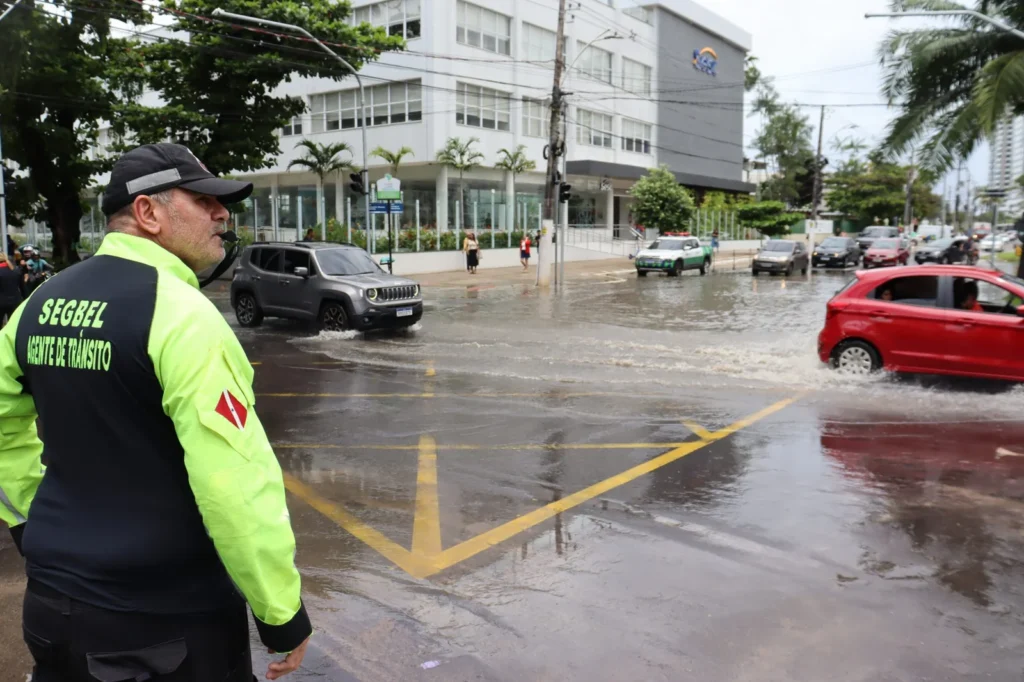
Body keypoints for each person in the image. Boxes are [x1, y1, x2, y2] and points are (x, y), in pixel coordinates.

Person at [0, 143, 312, 681]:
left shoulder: (41, 302)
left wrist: (33, 518)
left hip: (52, 607)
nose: (223, 215)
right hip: (166, 626)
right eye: (204, 201)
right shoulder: (182, 315)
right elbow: (233, 483)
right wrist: (280, 612)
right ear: (148, 213)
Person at [0, 253, 23, 326]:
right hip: (15, 302)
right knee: (13, 326)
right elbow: (23, 289)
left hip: (1, 303)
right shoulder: (16, 271)